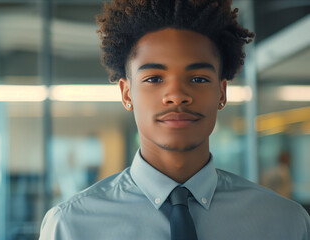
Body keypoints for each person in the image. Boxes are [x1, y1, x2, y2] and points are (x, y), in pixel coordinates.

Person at [39, 0, 310, 239]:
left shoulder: (285, 223)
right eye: (154, 79)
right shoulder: (70, 226)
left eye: (198, 79)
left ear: (222, 93)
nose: (177, 96)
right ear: (126, 93)